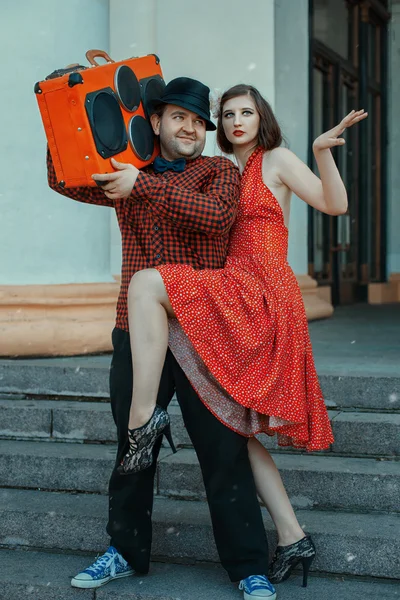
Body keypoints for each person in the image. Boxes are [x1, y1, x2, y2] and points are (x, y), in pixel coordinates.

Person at [101, 85, 368, 590]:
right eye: (228, 115)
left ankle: (144, 416)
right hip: (229, 295)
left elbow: (334, 205)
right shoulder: (225, 171)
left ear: (261, 116)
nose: (237, 121)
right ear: (217, 125)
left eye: (246, 112)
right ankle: (292, 536)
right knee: (234, 424)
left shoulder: (277, 159)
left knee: (150, 282)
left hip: (260, 291)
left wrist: (318, 154)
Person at [47, 77, 277, 599]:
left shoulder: (217, 171)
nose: (191, 128)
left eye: (199, 121)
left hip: (203, 335)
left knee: (224, 453)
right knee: (134, 444)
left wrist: (142, 185)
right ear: (155, 122)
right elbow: (64, 179)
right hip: (136, 334)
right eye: (180, 117)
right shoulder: (131, 169)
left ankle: (249, 567)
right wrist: (63, 109)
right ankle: (123, 552)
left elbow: (216, 217)